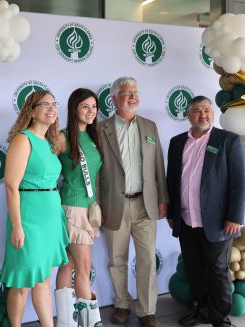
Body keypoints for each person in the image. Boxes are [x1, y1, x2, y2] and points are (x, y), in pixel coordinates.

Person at [166, 96, 245, 327]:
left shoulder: (228, 140)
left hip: (219, 221)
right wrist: (172, 213)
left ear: (212, 114)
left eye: (207, 110)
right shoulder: (176, 142)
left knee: (218, 270)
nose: (202, 115)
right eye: (196, 111)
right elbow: (172, 180)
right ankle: (202, 310)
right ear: (188, 115)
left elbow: (240, 182)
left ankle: (220, 318)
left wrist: (235, 216)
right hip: (186, 219)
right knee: (194, 270)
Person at [98, 76, 169, 327]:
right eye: (126, 92)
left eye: (135, 91)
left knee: (147, 260)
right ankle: (121, 304)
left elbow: (159, 165)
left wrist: (163, 198)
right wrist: (96, 206)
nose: (132, 96)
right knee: (117, 260)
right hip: (114, 205)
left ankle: (147, 310)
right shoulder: (100, 129)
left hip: (146, 204)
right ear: (114, 99)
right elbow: (96, 172)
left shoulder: (150, 127)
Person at [0, 90, 70, 327]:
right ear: (31, 111)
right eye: (45, 105)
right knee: (22, 285)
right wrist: (17, 226)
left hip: (50, 215)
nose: (52, 109)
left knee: (43, 279)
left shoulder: (50, 142)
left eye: (54, 104)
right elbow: (11, 185)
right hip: (29, 218)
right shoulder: (23, 139)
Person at [54, 88, 104, 327]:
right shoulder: (62, 138)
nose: (91, 112)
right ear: (74, 108)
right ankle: (90, 323)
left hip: (88, 208)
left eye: (94, 107)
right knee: (82, 269)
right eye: (85, 107)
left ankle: (67, 323)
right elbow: (43, 169)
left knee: (69, 264)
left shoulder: (94, 137)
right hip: (72, 208)